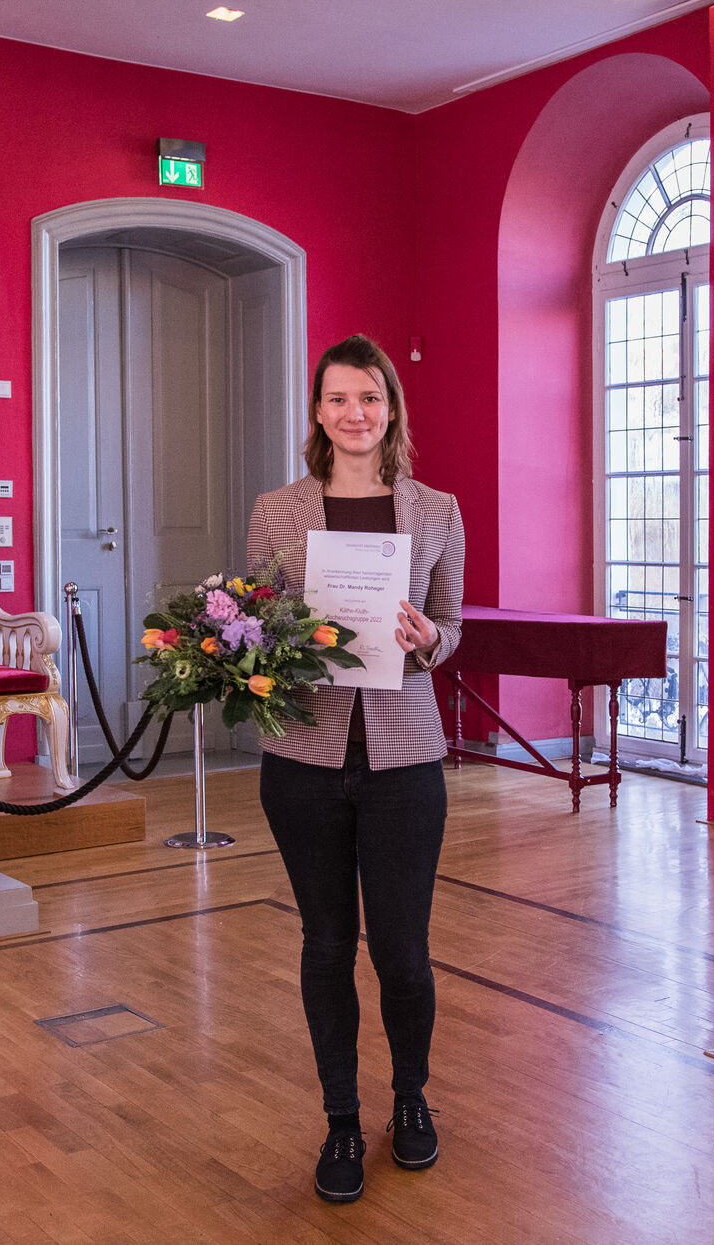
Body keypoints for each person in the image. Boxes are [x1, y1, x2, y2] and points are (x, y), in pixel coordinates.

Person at [245, 334, 464, 1205]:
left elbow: (452, 622)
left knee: (404, 954)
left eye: (369, 398)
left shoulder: (438, 508)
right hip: (303, 754)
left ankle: (409, 1098)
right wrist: (271, 642)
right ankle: (341, 1115)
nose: (355, 413)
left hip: (407, 758)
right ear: (318, 413)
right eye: (338, 399)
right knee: (327, 944)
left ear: (390, 409)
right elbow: (251, 620)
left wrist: (430, 641)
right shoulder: (277, 510)